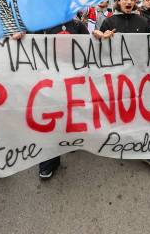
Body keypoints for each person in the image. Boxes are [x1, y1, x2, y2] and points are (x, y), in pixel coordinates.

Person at [96, 0, 150, 166]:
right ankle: (117, 140)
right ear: (118, 2)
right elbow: (99, 50)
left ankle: (143, 148)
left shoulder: (142, 20)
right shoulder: (109, 22)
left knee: (140, 112)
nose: (129, 2)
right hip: (117, 76)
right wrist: (102, 37)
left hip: (138, 75)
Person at [35, 18, 90, 180]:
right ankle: (48, 162)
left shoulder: (79, 25)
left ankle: (70, 141)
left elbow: (90, 45)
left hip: (73, 78)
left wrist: (100, 36)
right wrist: (21, 35)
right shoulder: (43, 24)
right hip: (50, 78)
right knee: (52, 119)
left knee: (72, 114)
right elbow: (30, 42)